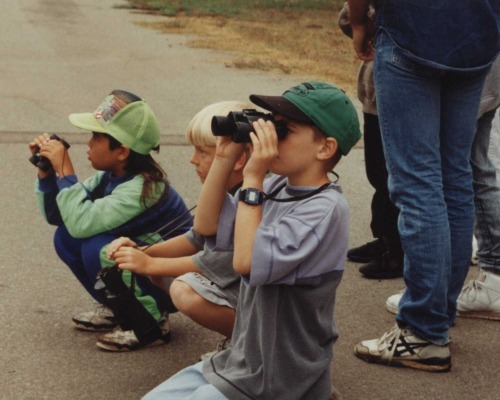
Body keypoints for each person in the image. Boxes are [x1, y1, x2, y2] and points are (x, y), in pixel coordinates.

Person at [141, 81, 361, 400]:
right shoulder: (277, 186)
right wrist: (225, 157)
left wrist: (253, 178)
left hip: (281, 374)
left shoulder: (325, 210)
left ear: (324, 148)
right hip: (242, 358)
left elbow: (245, 261)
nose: (269, 135)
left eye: (283, 130)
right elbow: (205, 225)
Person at [348, 0, 499, 372]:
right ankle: (437, 317)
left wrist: (358, 23)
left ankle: (424, 331)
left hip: (412, 31)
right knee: (454, 180)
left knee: (418, 184)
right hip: (477, 37)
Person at [31, 89, 192, 351]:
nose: (89, 143)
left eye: (97, 137)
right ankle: (119, 309)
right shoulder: (112, 175)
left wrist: (65, 171)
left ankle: (151, 323)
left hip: (176, 279)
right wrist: (49, 175)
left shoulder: (143, 188)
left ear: (122, 152)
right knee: (66, 237)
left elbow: (82, 222)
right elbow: (60, 218)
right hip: (149, 265)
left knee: (100, 247)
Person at [105, 101, 252, 346]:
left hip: (260, 304)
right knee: (160, 274)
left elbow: (222, 263)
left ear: (237, 160)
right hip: (235, 289)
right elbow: (196, 237)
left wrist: (151, 263)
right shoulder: (225, 194)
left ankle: (247, 344)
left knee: (183, 289)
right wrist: (143, 253)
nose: (192, 160)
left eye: (203, 152)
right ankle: (237, 341)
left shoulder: (252, 200)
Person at [386, 60, 500, 320]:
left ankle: (432, 304)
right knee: (469, 169)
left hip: (457, 59)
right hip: (484, 57)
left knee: (438, 177)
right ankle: (450, 295)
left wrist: (357, 24)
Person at [338, 2, 403, 279]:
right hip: (376, 90)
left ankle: (400, 251)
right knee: (379, 174)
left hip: (397, 87)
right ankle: (386, 239)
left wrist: (359, 24)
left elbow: (348, 19)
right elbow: (346, 19)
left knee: (395, 176)